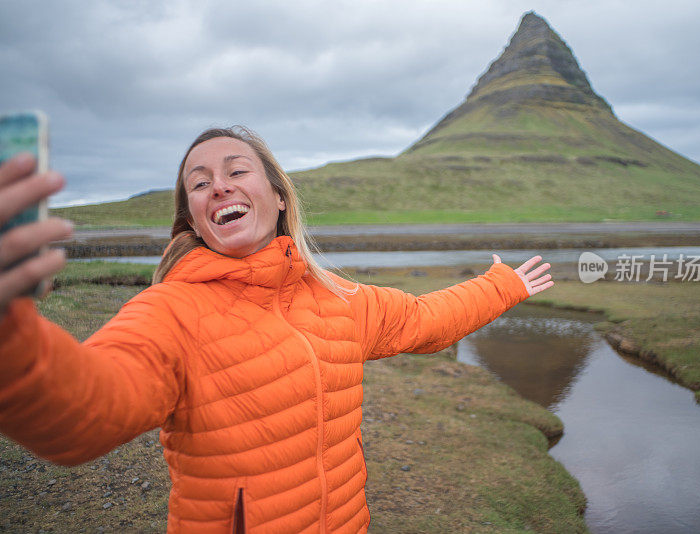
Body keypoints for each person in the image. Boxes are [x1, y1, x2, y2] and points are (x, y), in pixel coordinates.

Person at [0, 126, 554, 533]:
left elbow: (424, 320)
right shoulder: (170, 313)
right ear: (193, 219)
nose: (219, 187)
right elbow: (86, 415)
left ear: (280, 196)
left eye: (237, 171)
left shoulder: (334, 297)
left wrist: (504, 286)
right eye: (200, 183)